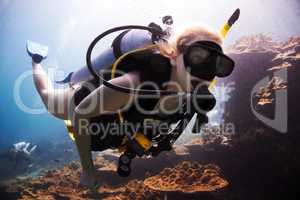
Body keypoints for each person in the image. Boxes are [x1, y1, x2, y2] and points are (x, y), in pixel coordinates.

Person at [27, 25, 234, 188]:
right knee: (48, 98)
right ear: (173, 54)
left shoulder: (192, 90)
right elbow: (79, 113)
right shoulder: (133, 85)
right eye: (197, 57)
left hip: (118, 124)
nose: (205, 72)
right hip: (83, 101)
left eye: (218, 65)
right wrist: (88, 171)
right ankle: (36, 60)